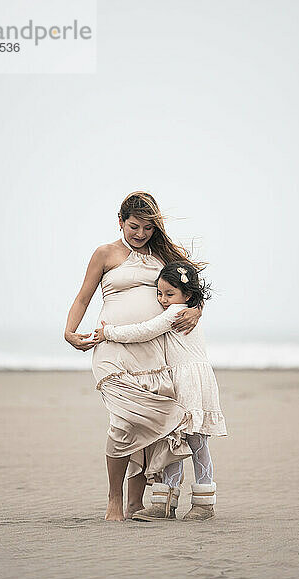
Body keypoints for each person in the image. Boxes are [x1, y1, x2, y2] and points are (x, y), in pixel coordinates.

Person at [64, 192, 204, 521]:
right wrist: (69, 332)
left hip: (154, 353)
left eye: (147, 229)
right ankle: (115, 499)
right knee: (125, 422)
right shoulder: (105, 253)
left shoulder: (167, 255)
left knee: (149, 426)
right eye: (134, 227)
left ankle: (135, 503)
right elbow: (83, 296)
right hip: (111, 349)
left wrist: (196, 310)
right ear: (120, 221)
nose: (140, 234)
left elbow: (194, 292)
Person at [93, 261, 228, 521]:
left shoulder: (177, 312)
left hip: (190, 382)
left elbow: (145, 331)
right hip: (181, 379)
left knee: (196, 441)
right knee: (175, 440)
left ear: (186, 295)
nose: (163, 300)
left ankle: (204, 503)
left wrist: (107, 333)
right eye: (160, 293)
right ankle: (166, 502)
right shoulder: (183, 306)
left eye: (169, 294)